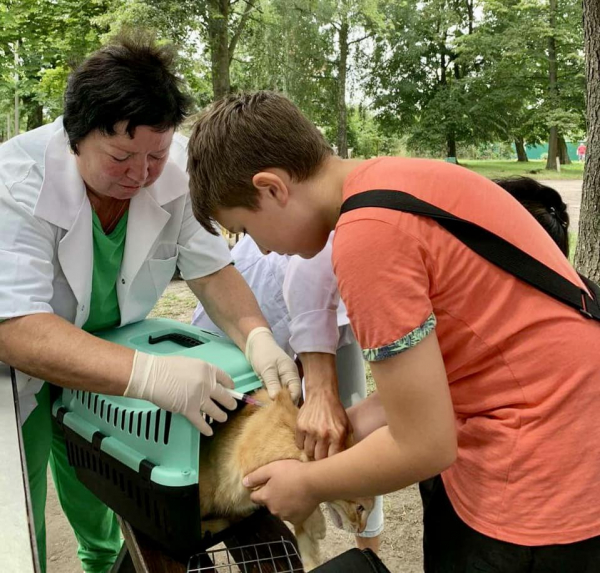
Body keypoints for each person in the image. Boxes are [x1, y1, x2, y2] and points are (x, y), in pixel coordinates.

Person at [186, 91, 600, 572]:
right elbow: (477, 356)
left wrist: (309, 484)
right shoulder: (402, 179)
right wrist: (350, 425)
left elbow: (425, 444)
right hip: (577, 436)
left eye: (244, 229)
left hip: (535, 483)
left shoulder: (369, 238)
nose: (263, 249)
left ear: (273, 188)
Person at [0, 48, 299, 573]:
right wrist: (150, 373)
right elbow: (16, 328)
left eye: (154, 156)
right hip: (14, 373)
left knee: (101, 488)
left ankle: (100, 563)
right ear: (76, 136)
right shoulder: (14, 182)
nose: (141, 174)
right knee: (16, 522)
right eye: (120, 158)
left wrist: (256, 335)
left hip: (104, 360)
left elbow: (211, 272)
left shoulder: (177, 169)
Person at [192, 233, 385, 552]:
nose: (262, 246)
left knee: (345, 431)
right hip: (266, 301)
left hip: (332, 277)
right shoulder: (270, 265)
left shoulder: (353, 255)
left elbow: (404, 421)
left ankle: (370, 559)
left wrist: (323, 394)